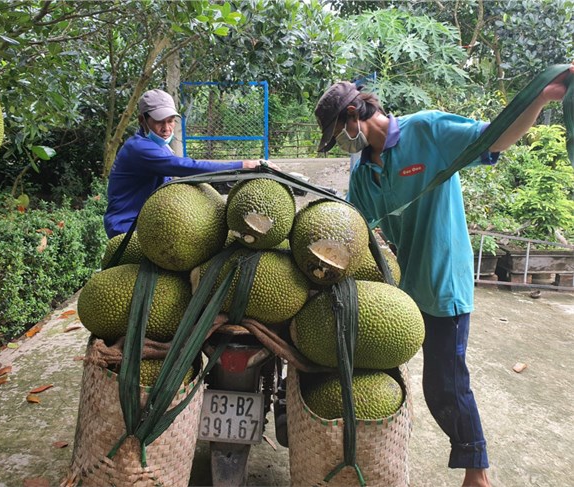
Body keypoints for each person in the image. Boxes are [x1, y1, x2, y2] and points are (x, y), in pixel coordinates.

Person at [314, 65, 573, 487]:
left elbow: (495, 139)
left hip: (444, 284)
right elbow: (352, 227)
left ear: (352, 117)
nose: (342, 144)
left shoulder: (427, 130)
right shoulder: (364, 173)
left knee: (446, 385)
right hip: (406, 289)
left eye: (339, 134)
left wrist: (540, 98)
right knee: (390, 372)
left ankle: (478, 473)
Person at [104, 88, 276, 238]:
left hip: (149, 222)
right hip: (127, 229)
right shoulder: (139, 149)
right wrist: (243, 165)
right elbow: (187, 167)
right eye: (159, 121)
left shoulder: (159, 145)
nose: (166, 128)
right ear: (142, 120)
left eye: (170, 120)